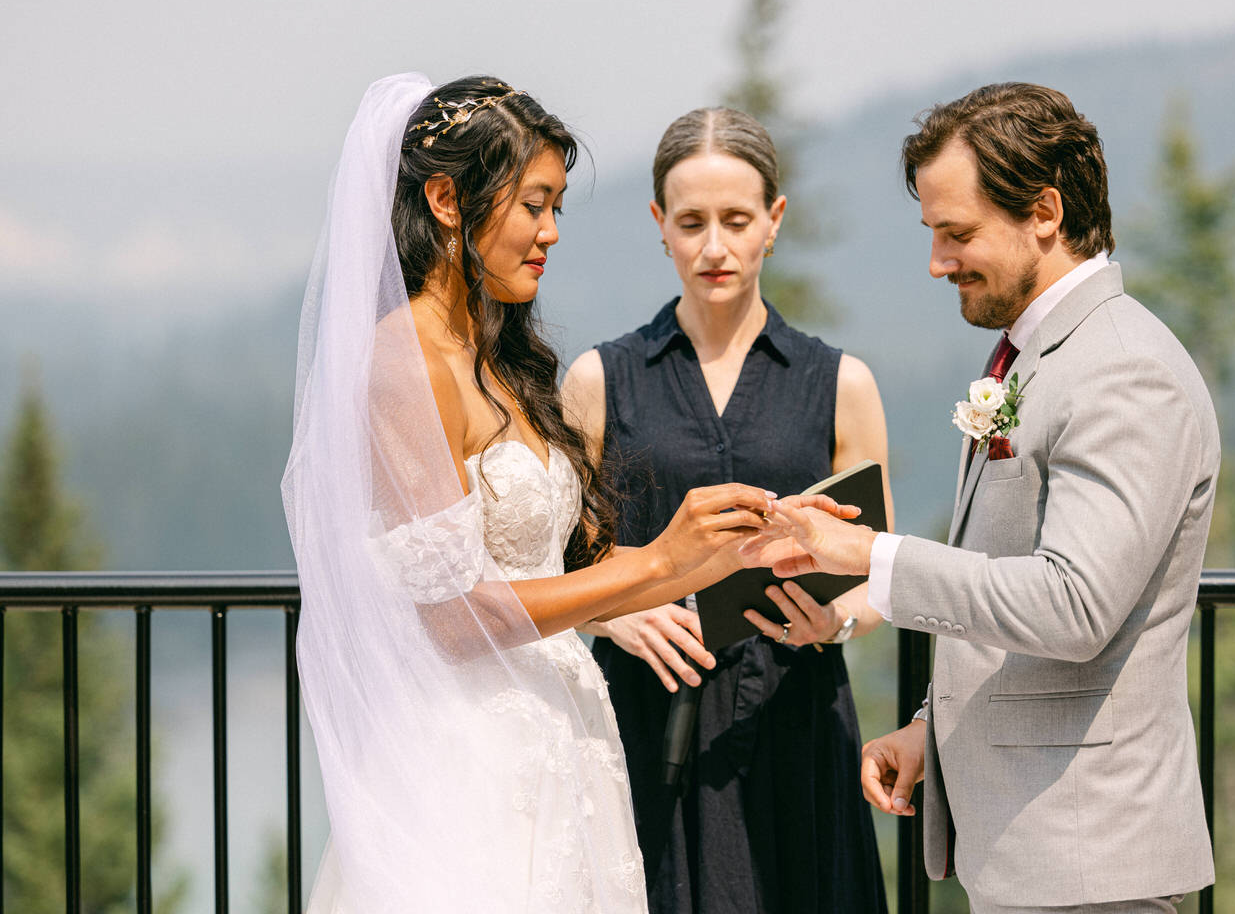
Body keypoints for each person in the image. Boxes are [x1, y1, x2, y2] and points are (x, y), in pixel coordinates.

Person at [282, 75, 842, 912]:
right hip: (470, 770)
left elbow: (546, 562)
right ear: (445, 199)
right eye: (533, 204)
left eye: (558, 208)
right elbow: (449, 615)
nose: (550, 233)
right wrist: (657, 562)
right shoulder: (403, 363)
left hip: (563, 743)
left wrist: (732, 550)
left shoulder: (497, 351)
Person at [742, 83, 1219, 913]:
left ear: (1044, 211)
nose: (937, 262)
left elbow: (1073, 607)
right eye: (933, 233)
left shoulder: (1121, 371)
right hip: (1035, 852)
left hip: (1089, 863)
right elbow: (1008, 579)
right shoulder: (1037, 358)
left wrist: (869, 556)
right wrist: (936, 732)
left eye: (956, 233)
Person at [562, 106, 891, 913]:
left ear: (773, 222)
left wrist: (839, 621)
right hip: (643, 718)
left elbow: (879, 568)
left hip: (797, 714)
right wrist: (616, 619)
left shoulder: (841, 382)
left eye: (737, 221)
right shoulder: (598, 381)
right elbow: (559, 568)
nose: (715, 246)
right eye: (692, 222)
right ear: (659, 226)